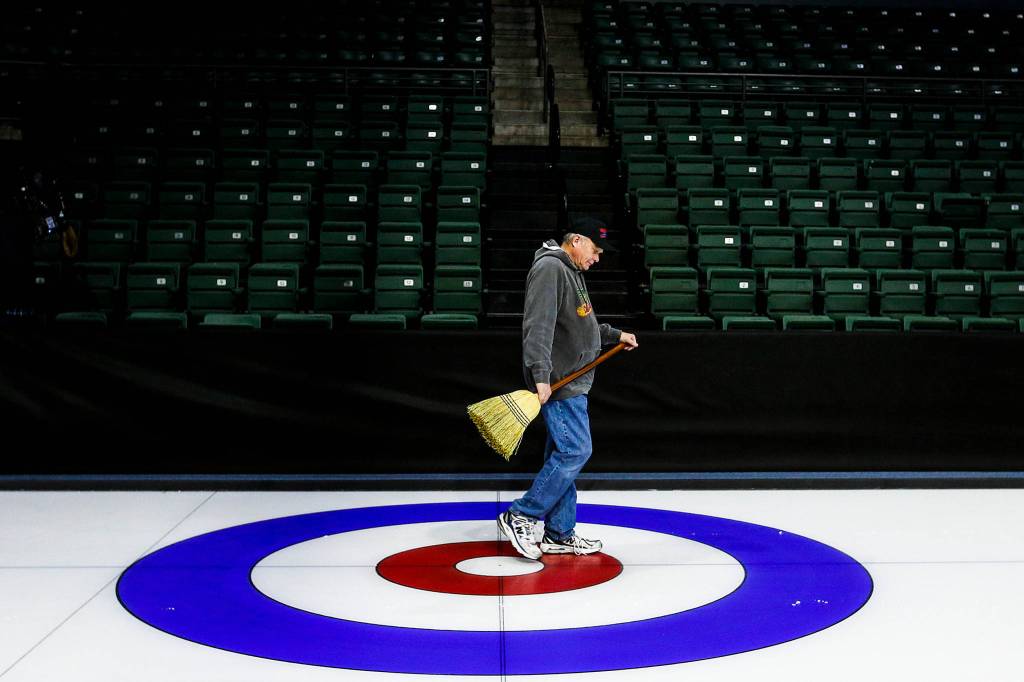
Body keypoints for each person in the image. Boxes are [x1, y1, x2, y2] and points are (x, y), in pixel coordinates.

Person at [498, 217, 638, 559]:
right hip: (561, 381)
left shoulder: (570, 271)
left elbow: (582, 323)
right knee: (575, 451)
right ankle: (521, 513)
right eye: (595, 249)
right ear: (576, 240)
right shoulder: (550, 269)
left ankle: (560, 532)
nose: (597, 258)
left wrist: (613, 335)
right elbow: (538, 326)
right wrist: (541, 375)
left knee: (561, 456)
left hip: (573, 379)